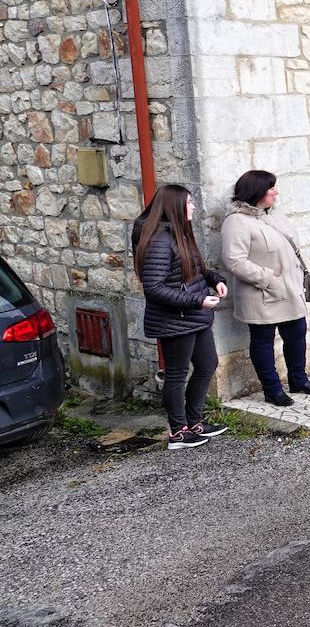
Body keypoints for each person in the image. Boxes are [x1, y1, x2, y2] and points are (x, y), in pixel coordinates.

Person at [133, 184, 228, 449]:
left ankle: (194, 421)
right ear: (174, 206)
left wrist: (215, 279)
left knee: (207, 364)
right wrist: (198, 299)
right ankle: (178, 432)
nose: (194, 207)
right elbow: (154, 288)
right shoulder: (158, 241)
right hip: (175, 320)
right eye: (189, 202)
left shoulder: (179, 233)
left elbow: (195, 269)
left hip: (194, 316)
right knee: (176, 375)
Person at [220, 170, 310, 406]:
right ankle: (272, 389)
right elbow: (234, 260)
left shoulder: (273, 215)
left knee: (297, 333)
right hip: (260, 294)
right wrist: (268, 278)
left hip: (289, 290)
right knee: (263, 340)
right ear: (257, 191)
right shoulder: (236, 222)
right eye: (271, 188)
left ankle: (299, 379)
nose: (276, 192)